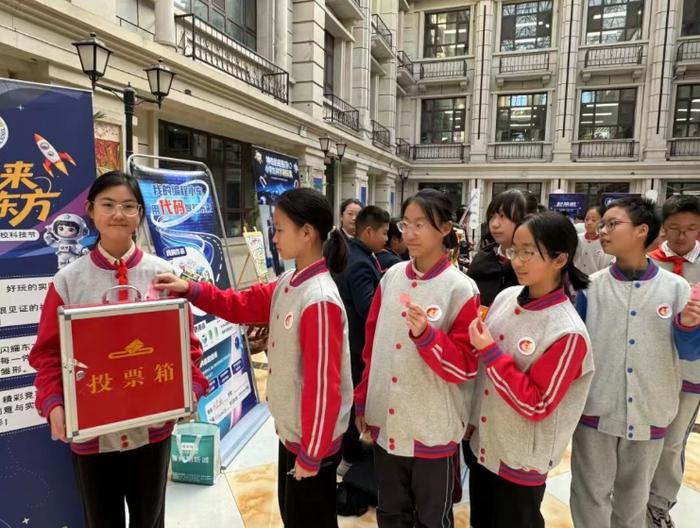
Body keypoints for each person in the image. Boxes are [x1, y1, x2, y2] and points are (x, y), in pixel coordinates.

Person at [154, 188, 353, 528]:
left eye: (279, 229)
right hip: (293, 434)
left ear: (307, 233)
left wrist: (312, 453)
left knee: (310, 520)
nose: (273, 237)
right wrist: (191, 289)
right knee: (293, 516)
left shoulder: (319, 299)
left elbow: (324, 388)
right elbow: (239, 304)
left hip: (311, 443)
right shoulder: (289, 282)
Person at [29, 171, 209, 528]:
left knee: (149, 519)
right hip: (93, 435)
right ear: (91, 210)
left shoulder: (162, 274)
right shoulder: (69, 280)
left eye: (128, 206)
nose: (118, 214)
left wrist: (190, 388)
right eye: (108, 205)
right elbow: (48, 354)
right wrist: (54, 402)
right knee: (101, 520)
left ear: (139, 213)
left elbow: (185, 346)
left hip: (152, 429)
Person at [570, 197, 700, 528]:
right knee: (589, 495)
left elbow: (689, 352)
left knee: (633, 500)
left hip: (649, 411)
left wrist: (688, 326)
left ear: (642, 231)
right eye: (602, 224)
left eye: (613, 224)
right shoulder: (591, 287)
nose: (603, 231)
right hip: (596, 412)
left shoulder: (676, 288)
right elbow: (576, 350)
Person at [354, 189, 480, 527]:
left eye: (420, 225)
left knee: (432, 518)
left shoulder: (460, 289)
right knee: (391, 511)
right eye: (405, 224)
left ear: (445, 228)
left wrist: (427, 336)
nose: (409, 233)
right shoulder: (390, 278)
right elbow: (372, 347)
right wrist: (364, 400)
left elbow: (465, 366)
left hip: (432, 427)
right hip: (387, 419)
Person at [466, 212, 593, 528]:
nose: (517, 261)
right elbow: (483, 376)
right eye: (514, 250)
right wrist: (471, 420)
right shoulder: (506, 297)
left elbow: (537, 404)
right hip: (484, 445)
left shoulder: (567, 332)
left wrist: (490, 352)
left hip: (521, 459)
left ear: (559, 259)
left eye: (528, 252)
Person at [646, 195, 700, 528]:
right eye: (675, 228)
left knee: (673, 442)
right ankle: (633, 496)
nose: (682, 236)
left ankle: (659, 503)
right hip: (651, 367)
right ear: (663, 228)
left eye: (691, 229)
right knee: (645, 438)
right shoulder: (647, 263)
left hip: (692, 370)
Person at [333, 205, 390, 474]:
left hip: (351, 343)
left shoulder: (358, 254)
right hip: (356, 346)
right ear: (368, 232)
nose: (386, 239)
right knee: (353, 400)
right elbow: (368, 309)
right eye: (384, 233)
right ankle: (349, 456)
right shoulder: (359, 263)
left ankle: (350, 452)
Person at [467, 190, 531, 310]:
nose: (494, 224)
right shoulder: (481, 261)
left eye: (503, 216)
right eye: (492, 217)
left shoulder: (536, 266)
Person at [573, 206, 613, 276]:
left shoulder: (605, 242)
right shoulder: (577, 238)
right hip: (577, 278)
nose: (589, 222)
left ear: (603, 222)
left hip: (597, 279)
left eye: (594, 220)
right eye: (587, 219)